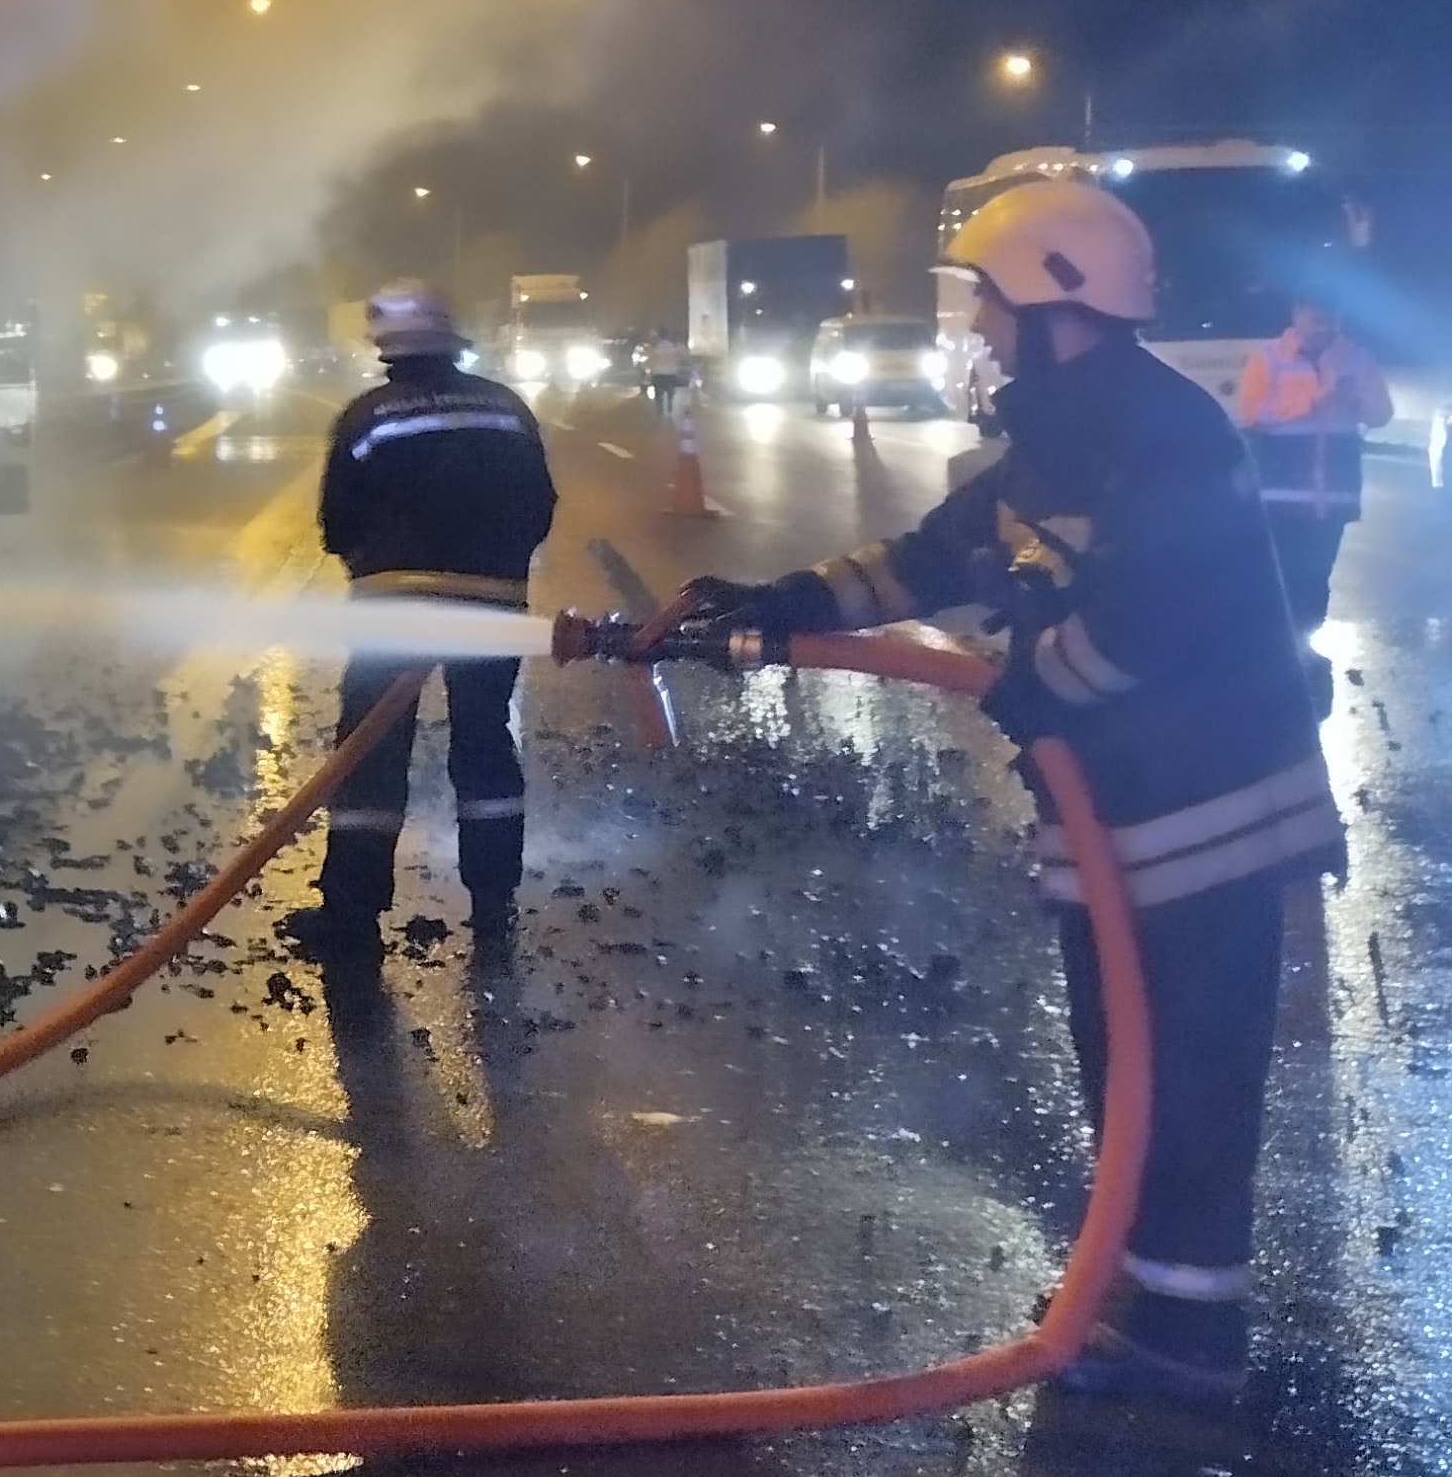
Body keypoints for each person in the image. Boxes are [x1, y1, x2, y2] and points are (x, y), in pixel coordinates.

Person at [660, 177, 1339, 1412]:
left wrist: (1041, 683)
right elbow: (928, 559)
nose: (975, 329)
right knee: (1121, 1061)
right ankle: (1133, 1300)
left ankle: (1188, 1340)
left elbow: (1159, 618)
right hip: (1122, 821)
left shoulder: (1164, 435)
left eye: (988, 304)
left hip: (1208, 820)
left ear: (1057, 300)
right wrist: (787, 602)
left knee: (1181, 1076)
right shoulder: (1056, 444)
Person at [293, 278, 559, 968]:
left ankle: (352, 914)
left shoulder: (367, 416)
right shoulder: (506, 407)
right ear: (452, 337)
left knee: (370, 754)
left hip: (393, 612)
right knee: (485, 745)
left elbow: (335, 524)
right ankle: (494, 906)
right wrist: (496, 573)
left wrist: (375, 568)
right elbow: (540, 506)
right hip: (491, 607)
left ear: (384, 342)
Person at [1232, 289, 1390, 696]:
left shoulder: (1356, 358)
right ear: (1297, 313)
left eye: (1331, 318)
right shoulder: (1269, 358)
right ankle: (1277, 649)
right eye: (1316, 317)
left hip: (1333, 494)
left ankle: (1303, 648)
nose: (1324, 326)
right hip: (1281, 493)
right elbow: (1250, 413)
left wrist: (1355, 399)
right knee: (1282, 574)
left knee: (1317, 575)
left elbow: (1382, 413)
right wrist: (1310, 401)